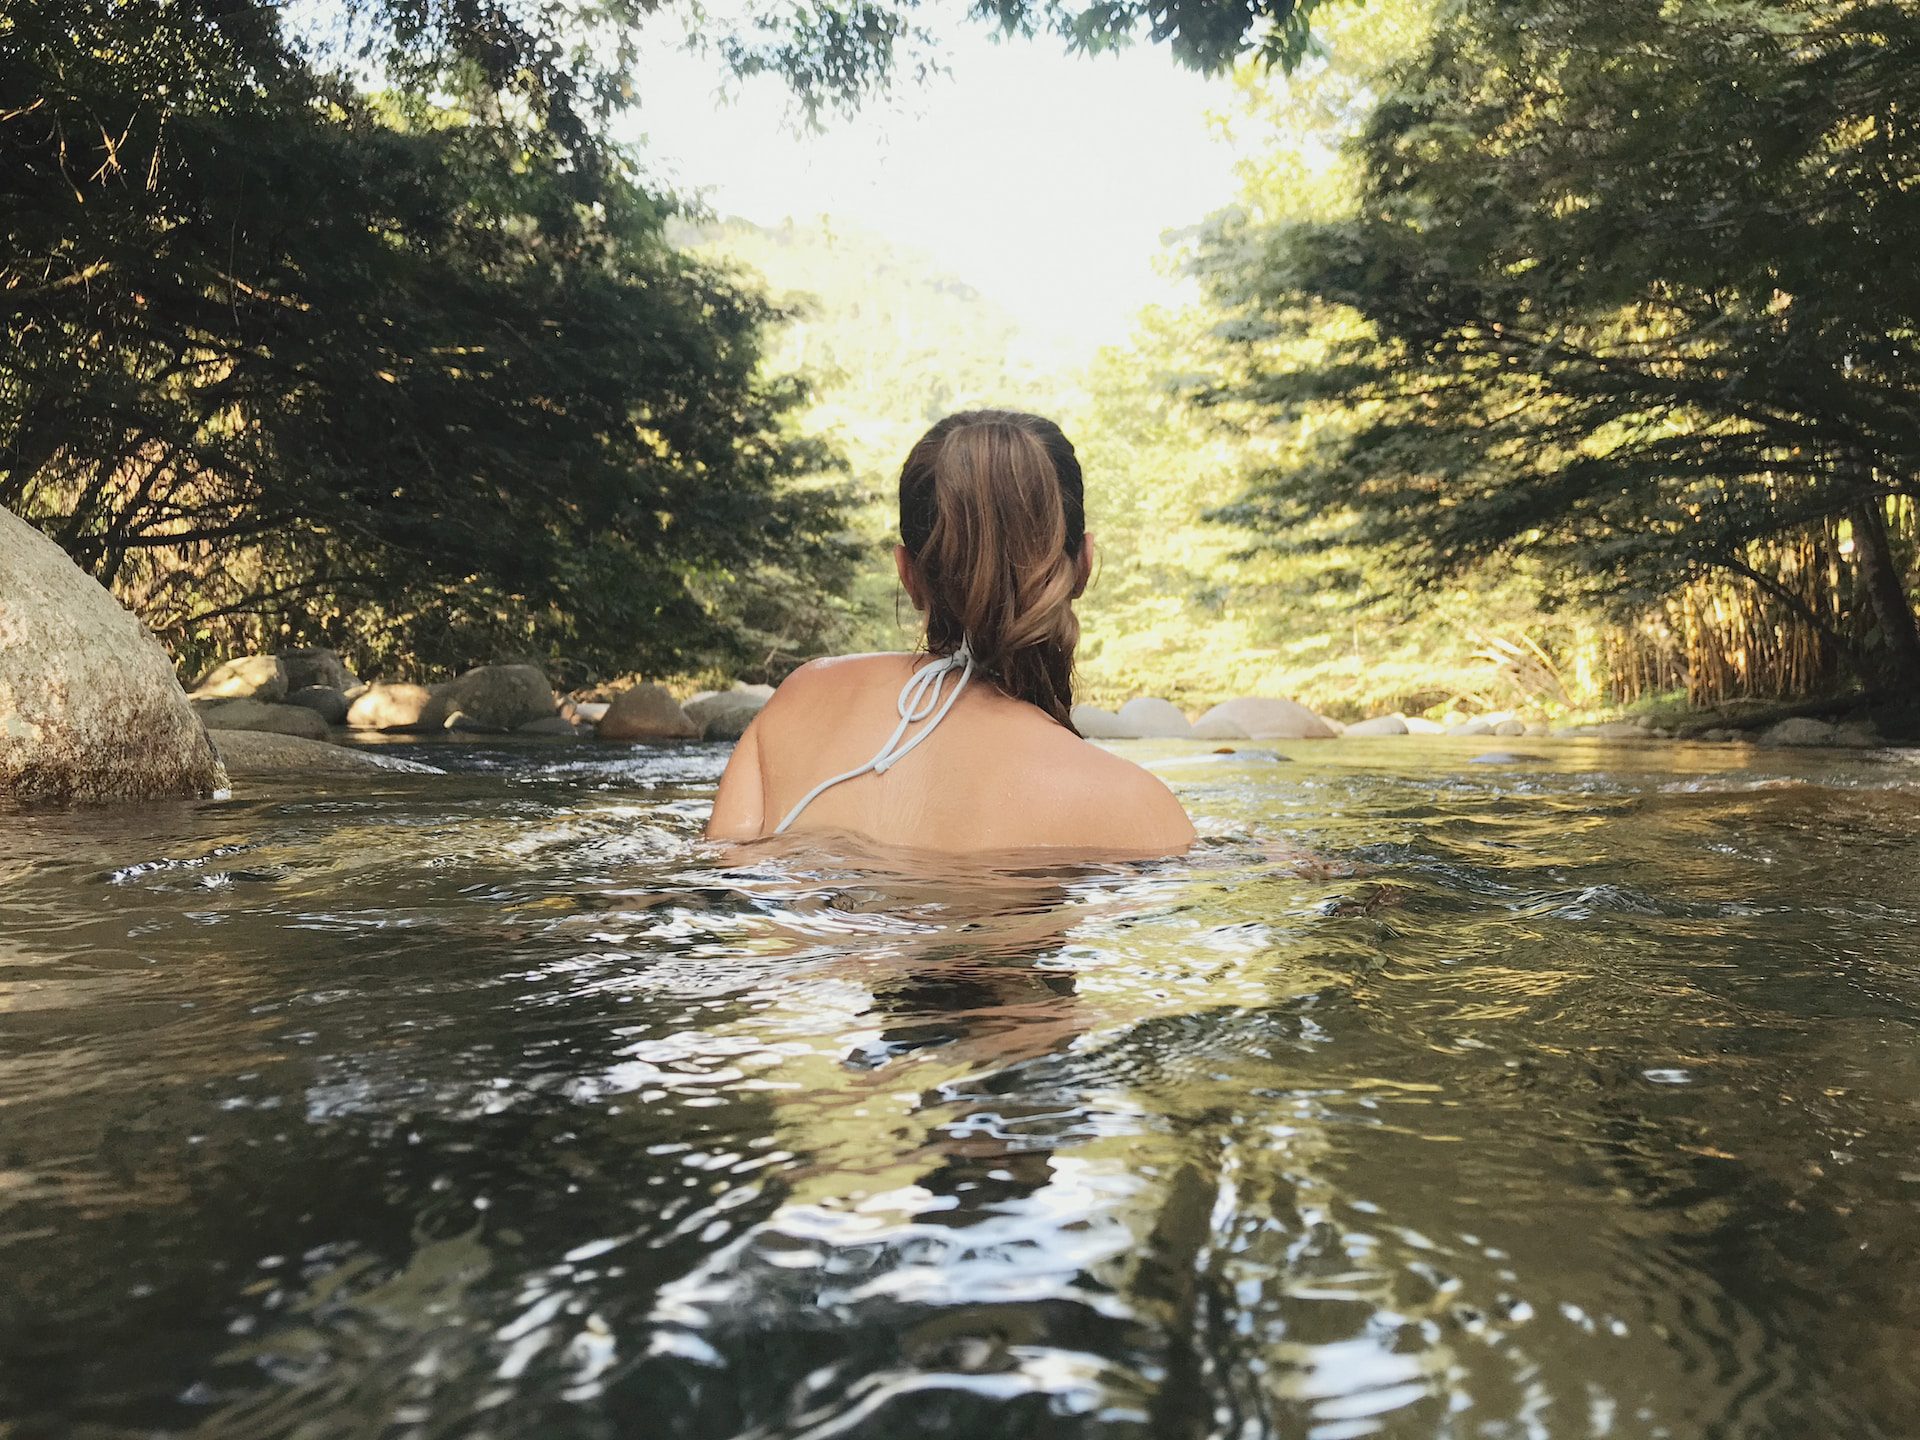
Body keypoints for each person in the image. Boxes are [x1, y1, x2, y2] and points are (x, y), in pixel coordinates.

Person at [705, 409, 1195, 857]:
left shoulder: (802, 697)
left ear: (908, 575)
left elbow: (723, 868)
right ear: (1084, 564)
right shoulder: (1134, 807)